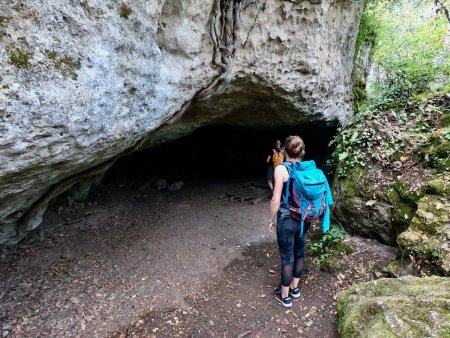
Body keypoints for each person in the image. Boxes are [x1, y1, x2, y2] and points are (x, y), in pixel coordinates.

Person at [267, 135, 332, 308]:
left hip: (288, 219)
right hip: (305, 218)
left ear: (285, 151)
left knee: (287, 257)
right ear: (302, 151)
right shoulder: (309, 168)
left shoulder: (281, 169)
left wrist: (271, 219)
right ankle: (295, 288)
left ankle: (285, 296)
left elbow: (275, 200)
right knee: (299, 253)